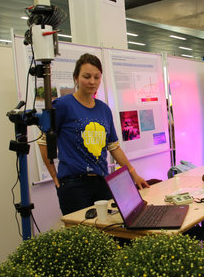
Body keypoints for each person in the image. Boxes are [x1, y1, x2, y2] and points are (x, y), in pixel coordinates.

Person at [39, 53, 149, 215]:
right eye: (87, 76)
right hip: (73, 185)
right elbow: (43, 141)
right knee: (83, 235)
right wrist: (54, 176)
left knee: (110, 229)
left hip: (102, 181)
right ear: (76, 77)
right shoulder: (62, 105)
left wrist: (133, 174)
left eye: (97, 77)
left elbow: (114, 147)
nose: (92, 82)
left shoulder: (104, 109)